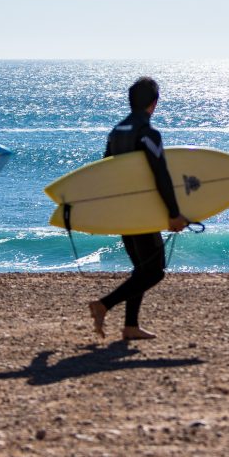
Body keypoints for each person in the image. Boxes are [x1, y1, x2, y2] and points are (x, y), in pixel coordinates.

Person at [87, 77, 187, 341]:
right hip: (141, 212)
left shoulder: (116, 132)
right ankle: (104, 305)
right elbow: (160, 173)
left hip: (123, 211)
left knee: (141, 270)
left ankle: (131, 326)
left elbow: (106, 171)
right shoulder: (148, 133)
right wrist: (174, 212)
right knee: (154, 271)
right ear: (154, 104)